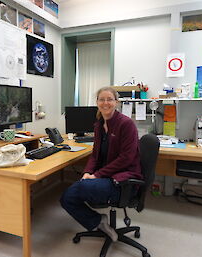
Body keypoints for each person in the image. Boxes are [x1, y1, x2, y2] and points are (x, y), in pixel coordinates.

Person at [60, 86, 142, 242]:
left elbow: (126, 158)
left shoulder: (126, 124)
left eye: (110, 99)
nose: (106, 103)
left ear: (116, 102)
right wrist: (87, 173)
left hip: (123, 182)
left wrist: (96, 175)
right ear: (97, 102)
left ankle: (98, 220)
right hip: (106, 177)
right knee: (67, 198)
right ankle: (99, 221)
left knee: (80, 188)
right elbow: (95, 155)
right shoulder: (99, 126)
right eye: (102, 99)